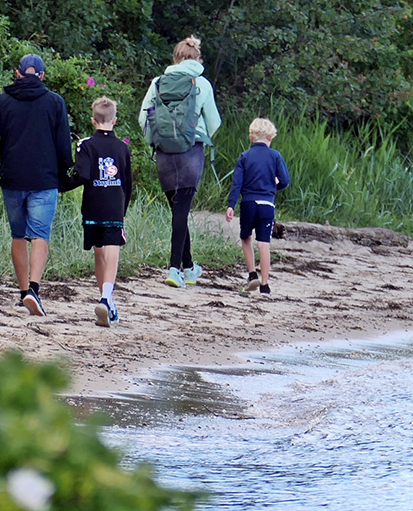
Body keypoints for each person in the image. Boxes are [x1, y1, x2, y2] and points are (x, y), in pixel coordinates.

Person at [0, 53, 73, 317]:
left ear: (17, 73)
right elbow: (63, 147)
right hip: (44, 180)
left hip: (12, 179)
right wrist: (66, 175)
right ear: (42, 76)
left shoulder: (3, 101)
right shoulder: (55, 102)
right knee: (40, 236)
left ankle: (23, 294)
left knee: (18, 235)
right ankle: (34, 289)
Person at [138, 35, 221, 289]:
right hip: (190, 152)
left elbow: (144, 117)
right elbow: (214, 121)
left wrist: (156, 141)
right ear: (198, 58)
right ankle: (174, 269)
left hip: (164, 153)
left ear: (175, 58)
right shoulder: (202, 84)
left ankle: (189, 268)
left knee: (178, 212)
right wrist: (200, 136)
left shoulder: (159, 82)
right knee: (181, 212)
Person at [60, 97, 134, 327]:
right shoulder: (122, 147)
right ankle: (106, 298)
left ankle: (107, 301)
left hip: (93, 205)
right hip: (114, 205)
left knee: (99, 253)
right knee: (113, 249)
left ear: (93, 120)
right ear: (115, 120)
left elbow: (82, 174)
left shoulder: (85, 145)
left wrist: (61, 185)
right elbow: (127, 182)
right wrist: (123, 209)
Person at [224, 118, 290, 295]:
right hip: (267, 204)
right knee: (264, 243)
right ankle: (265, 284)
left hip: (248, 203)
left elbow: (236, 184)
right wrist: (271, 186)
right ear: (271, 137)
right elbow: (285, 181)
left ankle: (252, 274)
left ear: (251, 138)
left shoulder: (244, 157)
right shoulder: (275, 156)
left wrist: (231, 205)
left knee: (246, 237)